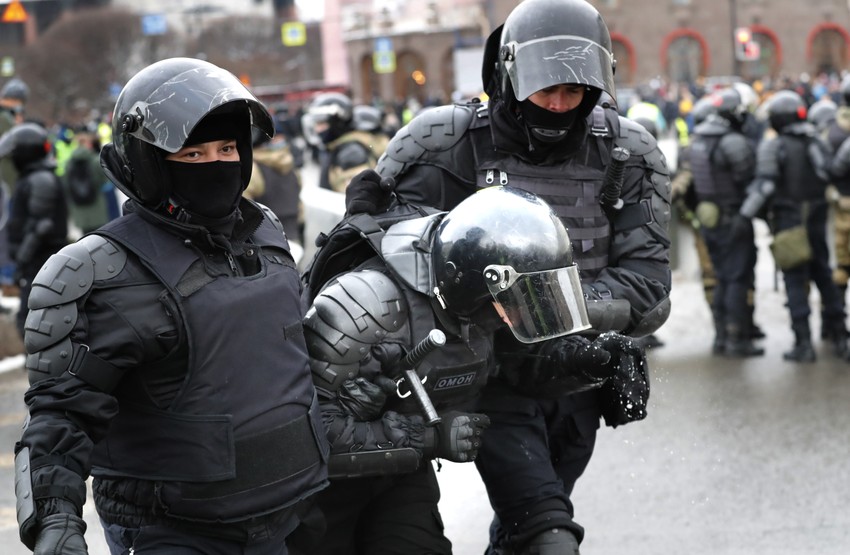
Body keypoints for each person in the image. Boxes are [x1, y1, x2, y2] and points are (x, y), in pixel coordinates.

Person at [373, 0, 672, 551]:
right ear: (509, 76)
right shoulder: (445, 143)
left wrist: (558, 316)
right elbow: (386, 263)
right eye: (544, 91)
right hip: (485, 373)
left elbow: (649, 290)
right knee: (546, 530)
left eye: (573, 93)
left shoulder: (628, 153)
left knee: (528, 527)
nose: (558, 107)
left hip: (576, 375)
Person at [13, 57, 328, 555]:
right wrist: (55, 520)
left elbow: (293, 364)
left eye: (228, 148)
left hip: (284, 519)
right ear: (150, 164)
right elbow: (60, 415)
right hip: (175, 534)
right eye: (194, 155)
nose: (217, 165)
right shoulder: (101, 271)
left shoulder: (262, 232)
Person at [302, 184, 644, 554]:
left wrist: (589, 359)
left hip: (400, 475)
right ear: (471, 281)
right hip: (322, 491)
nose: (514, 314)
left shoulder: (480, 307)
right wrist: (430, 438)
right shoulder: (366, 304)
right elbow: (306, 435)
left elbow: (515, 368)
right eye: (511, 303)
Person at [742, 89, 847, 361]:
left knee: (794, 282)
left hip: (789, 223)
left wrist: (745, 214)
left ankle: (803, 344)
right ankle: (840, 336)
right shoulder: (815, 141)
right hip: (816, 220)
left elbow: (764, 185)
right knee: (823, 275)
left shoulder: (774, 146)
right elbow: (830, 173)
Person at [690, 86, 764, 357]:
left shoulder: (698, 138)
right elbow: (749, 178)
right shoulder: (732, 141)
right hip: (732, 217)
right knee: (736, 278)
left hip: (710, 220)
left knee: (722, 277)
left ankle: (721, 337)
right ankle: (736, 339)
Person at [0, 122, 68, 339]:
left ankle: (43, 364)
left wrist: (21, 259)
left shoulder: (41, 179)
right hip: (36, 261)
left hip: (42, 261)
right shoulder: (34, 177)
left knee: (33, 317)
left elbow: (41, 226)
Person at [302, 92, 388, 192]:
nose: (317, 129)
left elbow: (356, 199)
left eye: (321, 123)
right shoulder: (340, 147)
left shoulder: (351, 154)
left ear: (336, 122)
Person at [244, 126, 304, 256]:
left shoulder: (252, 168)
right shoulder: (288, 161)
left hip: (265, 242)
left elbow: (245, 211)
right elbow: (299, 199)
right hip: (293, 233)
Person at [63, 126, 115, 235]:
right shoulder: (96, 160)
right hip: (97, 207)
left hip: (79, 209)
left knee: (86, 237)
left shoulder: (68, 163)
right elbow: (106, 182)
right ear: (88, 144)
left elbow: (66, 185)